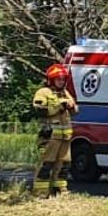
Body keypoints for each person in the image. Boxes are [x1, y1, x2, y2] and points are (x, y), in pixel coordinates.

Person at [31, 63, 77, 197]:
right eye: (58, 79)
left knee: (64, 165)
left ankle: (60, 190)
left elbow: (75, 109)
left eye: (63, 79)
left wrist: (71, 106)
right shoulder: (43, 92)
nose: (61, 82)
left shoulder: (65, 92)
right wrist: (59, 106)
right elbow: (39, 110)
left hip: (65, 137)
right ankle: (40, 192)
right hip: (49, 136)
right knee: (46, 164)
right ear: (51, 80)